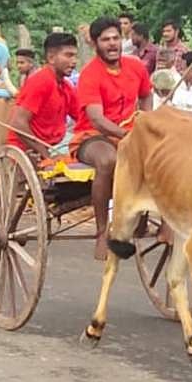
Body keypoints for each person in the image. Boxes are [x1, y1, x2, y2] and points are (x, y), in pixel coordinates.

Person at [72, 16, 153, 260]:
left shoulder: (136, 66)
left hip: (128, 134)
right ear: (95, 44)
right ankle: (100, 231)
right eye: (105, 39)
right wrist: (127, 134)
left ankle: (146, 219)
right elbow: (96, 119)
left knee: (161, 157)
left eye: (116, 38)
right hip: (93, 137)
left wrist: (144, 119)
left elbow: (146, 94)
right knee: (108, 160)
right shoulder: (90, 74)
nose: (112, 43)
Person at [7, 33, 79, 160]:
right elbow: (18, 123)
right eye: (68, 55)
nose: (74, 61)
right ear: (51, 58)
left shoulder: (66, 87)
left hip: (55, 145)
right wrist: (46, 155)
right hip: (28, 149)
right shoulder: (41, 82)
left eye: (75, 56)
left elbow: (82, 117)